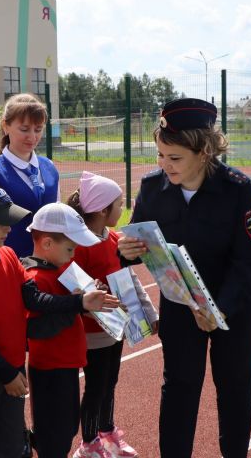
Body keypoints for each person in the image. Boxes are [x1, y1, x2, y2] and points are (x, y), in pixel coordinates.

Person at [116, 98, 251, 458]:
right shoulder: (153, 187)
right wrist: (127, 250)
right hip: (181, 303)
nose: (164, 164)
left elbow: (249, 260)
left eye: (174, 158)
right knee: (180, 386)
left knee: (233, 386)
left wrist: (219, 310)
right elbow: (138, 241)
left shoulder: (237, 188)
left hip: (234, 306)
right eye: (160, 155)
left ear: (203, 152)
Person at [0, 182, 119, 458]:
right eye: (2, 222)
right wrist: (7, 373)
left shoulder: (8, 255)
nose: (9, 228)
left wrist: (81, 302)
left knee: (14, 447)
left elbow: (34, 299)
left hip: (14, 370)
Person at [67, 171, 159, 458]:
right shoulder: (79, 247)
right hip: (93, 334)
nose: (123, 209)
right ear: (103, 209)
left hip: (117, 330)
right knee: (95, 388)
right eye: (119, 205)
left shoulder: (115, 239)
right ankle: (88, 443)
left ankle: (107, 433)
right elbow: (76, 290)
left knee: (110, 383)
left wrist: (150, 314)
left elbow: (129, 280)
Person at [22, 203, 103, 458]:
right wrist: (76, 304)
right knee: (52, 435)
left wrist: (85, 301)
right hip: (49, 369)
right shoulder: (35, 277)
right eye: (70, 248)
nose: (73, 253)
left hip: (66, 365)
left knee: (68, 426)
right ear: (46, 244)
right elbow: (36, 328)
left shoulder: (60, 269)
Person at [0, 93, 60, 258]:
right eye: (24, 129)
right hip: (12, 265)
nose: (33, 137)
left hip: (50, 265)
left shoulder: (49, 167)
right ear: (6, 126)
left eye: (38, 129)